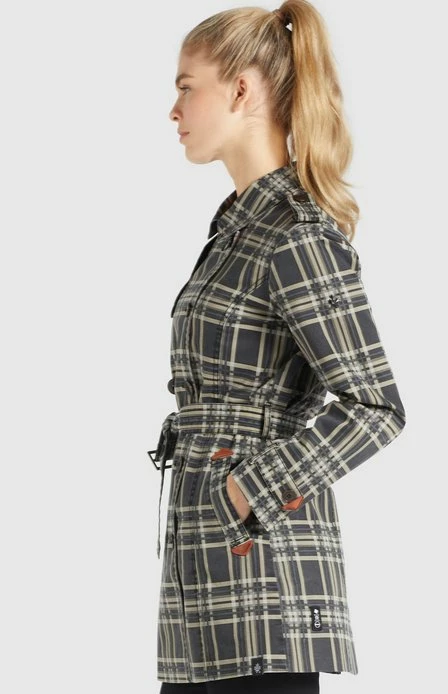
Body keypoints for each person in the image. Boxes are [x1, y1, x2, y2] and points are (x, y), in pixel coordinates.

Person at [149, 2, 407, 692]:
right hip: (207, 577)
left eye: (185, 87)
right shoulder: (239, 232)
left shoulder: (296, 236)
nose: (174, 110)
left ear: (241, 90)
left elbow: (376, 407)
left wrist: (248, 490)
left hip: (264, 579)